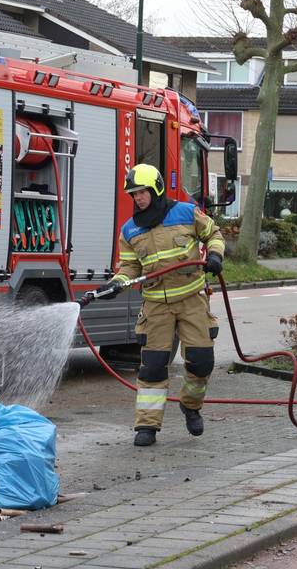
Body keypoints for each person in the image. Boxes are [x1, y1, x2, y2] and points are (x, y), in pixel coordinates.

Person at [97, 164, 225, 447]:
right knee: (153, 367)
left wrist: (215, 257)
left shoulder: (185, 212)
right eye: (133, 194)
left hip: (192, 301)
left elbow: (214, 234)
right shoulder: (130, 230)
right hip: (156, 307)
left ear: (155, 189)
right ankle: (147, 426)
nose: (138, 199)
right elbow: (129, 266)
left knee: (201, 363)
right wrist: (115, 283)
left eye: (141, 192)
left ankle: (191, 406)